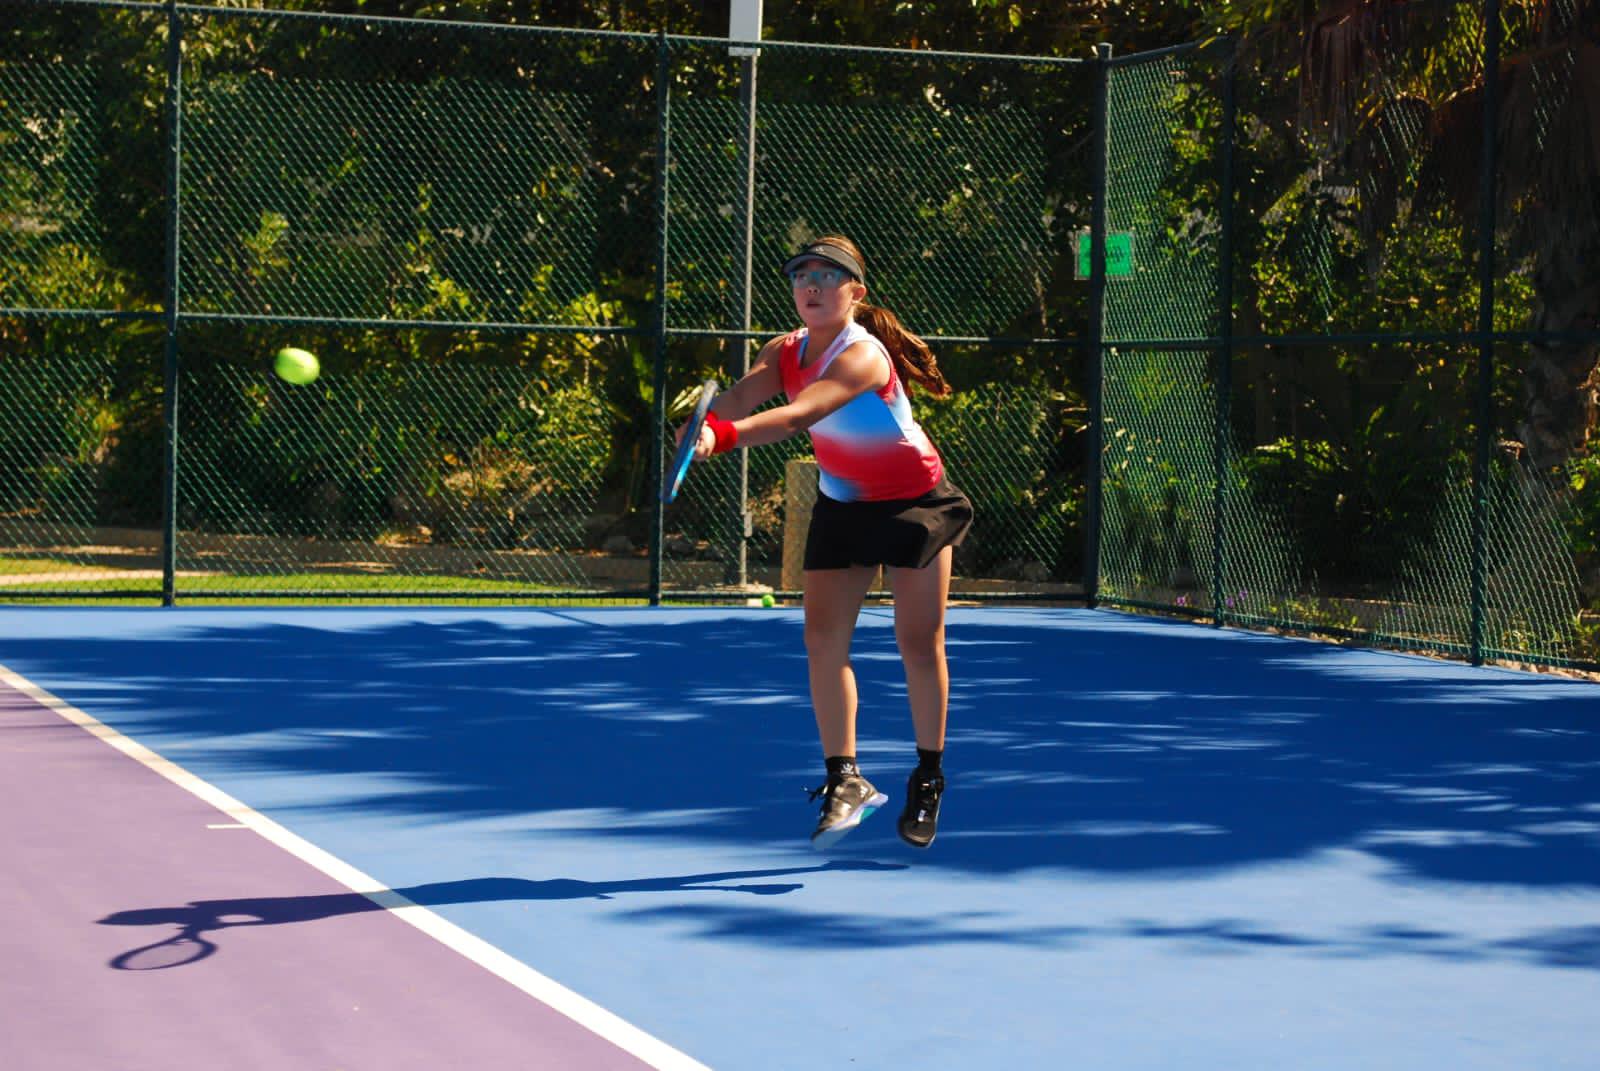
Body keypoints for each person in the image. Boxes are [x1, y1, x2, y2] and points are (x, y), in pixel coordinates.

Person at [680, 235, 973, 850]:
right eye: (801, 275)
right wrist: (704, 423)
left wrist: (724, 438)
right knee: (821, 640)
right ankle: (846, 780)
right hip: (844, 504)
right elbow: (741, 396)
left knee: (918, 643)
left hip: (916, 502)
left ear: (855, 292)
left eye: (828, 275)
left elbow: (798, 415)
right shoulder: (783, 349)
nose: (811, 285)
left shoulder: (862, 357)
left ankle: (928, 777)